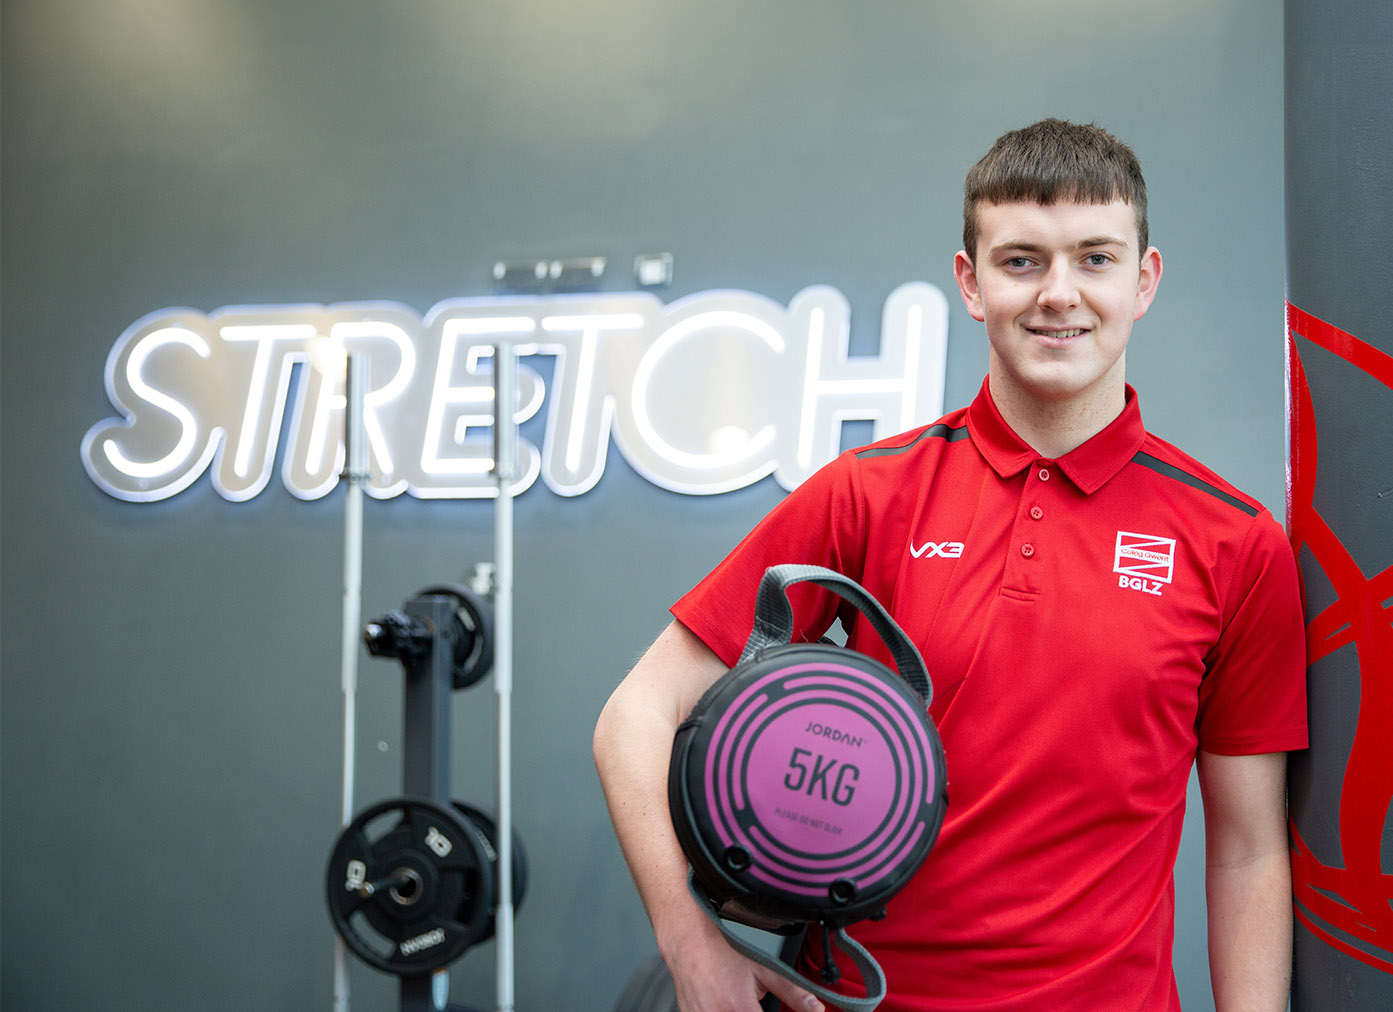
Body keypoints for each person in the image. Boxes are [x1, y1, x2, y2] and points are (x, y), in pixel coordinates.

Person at [593, 118, 1307, 1012]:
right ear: (970, 283)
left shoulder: (1232, 539)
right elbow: (634, 716)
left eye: (1094, 258)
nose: (1059, 294)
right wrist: (689, 941)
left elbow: (1245, 848)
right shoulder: (868, 494)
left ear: (1143, 280)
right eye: (1021, 261)